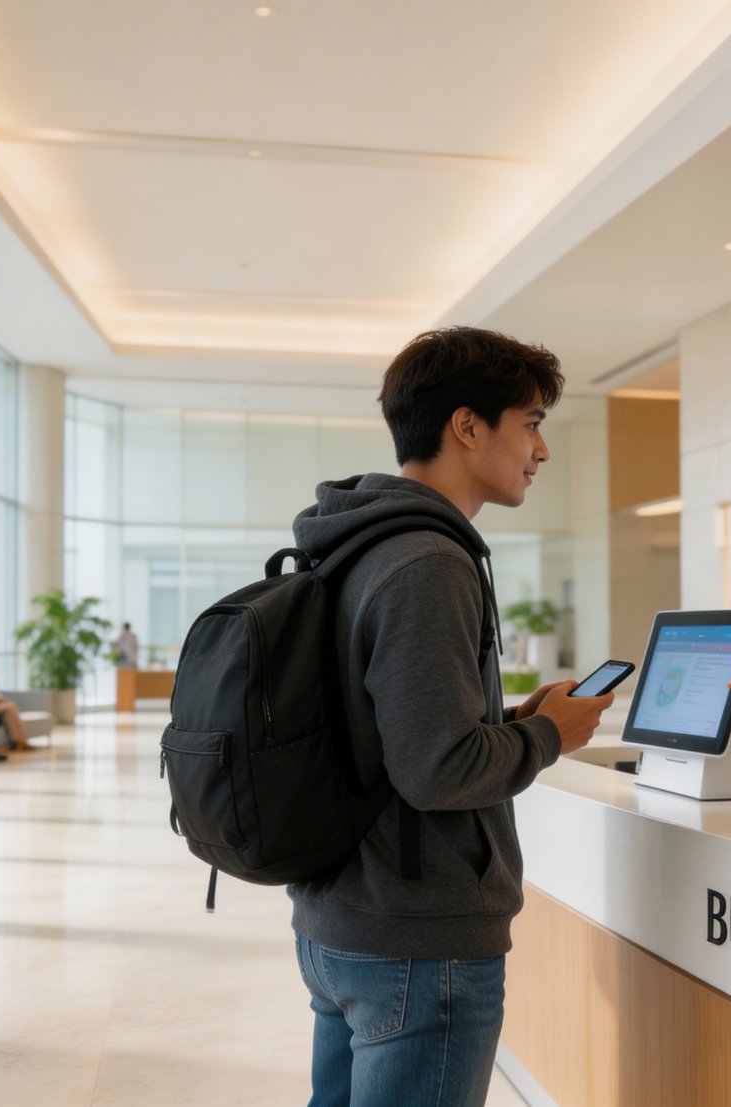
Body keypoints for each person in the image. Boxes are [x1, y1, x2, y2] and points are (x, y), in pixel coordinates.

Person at [287, 326, 615, 1107]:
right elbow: (437, 771)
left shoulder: (356, 541)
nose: (541, 449)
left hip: (343, 917)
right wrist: (549, 735)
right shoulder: (430, 561)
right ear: (468, 426)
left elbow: (384, 723)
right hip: (416, 939)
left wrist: (506, 719)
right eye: (531, 422)